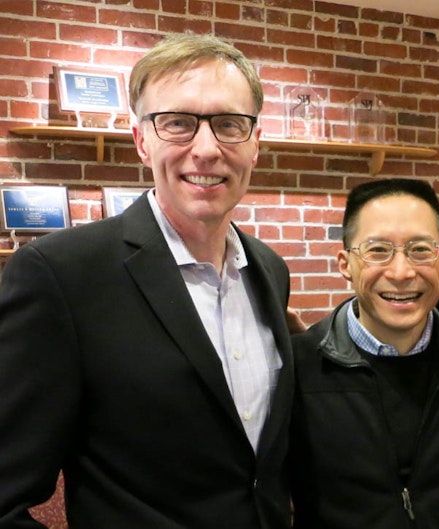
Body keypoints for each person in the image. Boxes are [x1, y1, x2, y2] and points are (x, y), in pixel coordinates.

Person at [0, 34, 294, 529]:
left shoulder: (269, 270)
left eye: (229, 124)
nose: (206, 149)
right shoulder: (60, 275)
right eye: (177, 123)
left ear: (255, 144)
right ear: (142, 141)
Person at [288, 178, 439, 529]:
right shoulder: (300, 366)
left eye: (420, 250)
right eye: (377, 251)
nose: (401, 272)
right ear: (345, 263)